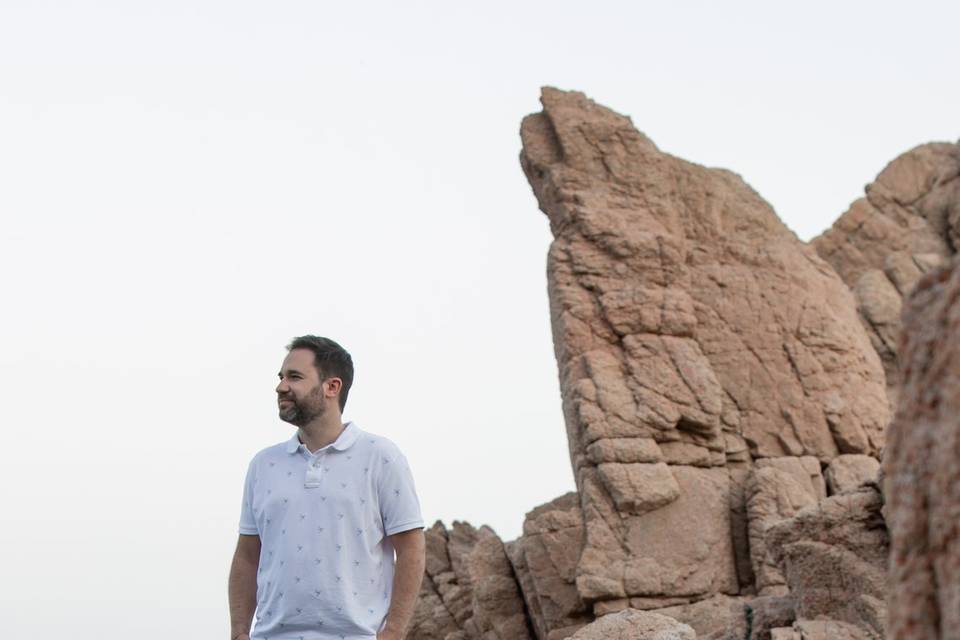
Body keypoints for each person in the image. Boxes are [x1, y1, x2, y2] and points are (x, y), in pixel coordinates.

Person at [228, 336, 425, 640]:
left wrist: (394, 632)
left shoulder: (381, 457)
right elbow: (247, 556)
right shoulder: (263, 465)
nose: (281, 386)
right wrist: (239, 631)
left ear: (332, 387)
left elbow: (411, 547)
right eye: (281, 377)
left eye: (294, 377)